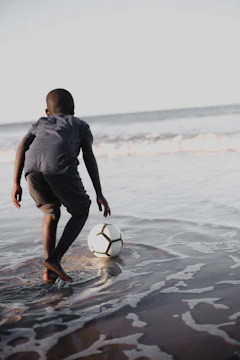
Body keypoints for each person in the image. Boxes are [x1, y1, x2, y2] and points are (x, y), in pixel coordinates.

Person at [12, 89, 111, 283]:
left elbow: (22, 146)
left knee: (51, 213)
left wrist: (16, 182)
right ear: (73, 109)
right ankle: (55, 260)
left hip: (31, 171)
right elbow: (88, 158)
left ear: (47, 111)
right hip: (59, 167)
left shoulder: (40, 122)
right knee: (81, 210)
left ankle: (49, 271)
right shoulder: (79, 125)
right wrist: (99, 192)